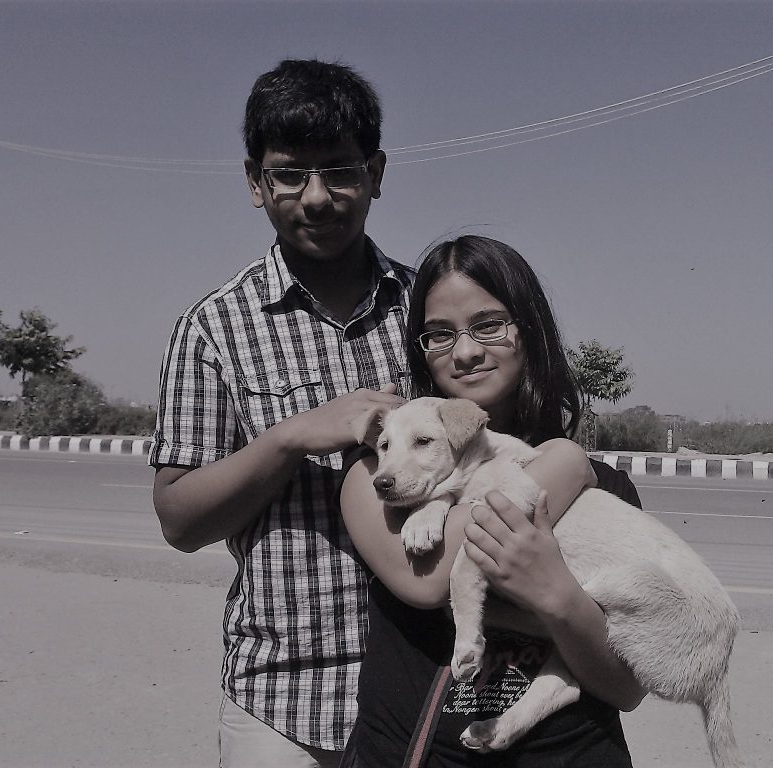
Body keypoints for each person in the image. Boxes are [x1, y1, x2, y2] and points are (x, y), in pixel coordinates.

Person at [149, 59, 413, 768]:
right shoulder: (213, 327)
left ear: (377, 172)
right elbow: (178, 518)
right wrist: (293, 437)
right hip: (282, 704)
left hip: (424, 691)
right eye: (291, 174)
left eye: (340, 170)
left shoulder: (431, 313)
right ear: (255, 182)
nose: (317, 197)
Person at [340, 235, 648, 767]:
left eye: (488, 325)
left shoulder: (605, 488)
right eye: (438, 334)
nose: (464, 351)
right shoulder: (377, 479)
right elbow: (429, 579)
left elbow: (627, 685)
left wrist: (555, 595)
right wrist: (564, 463)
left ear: (530, 332)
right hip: (418, 754)